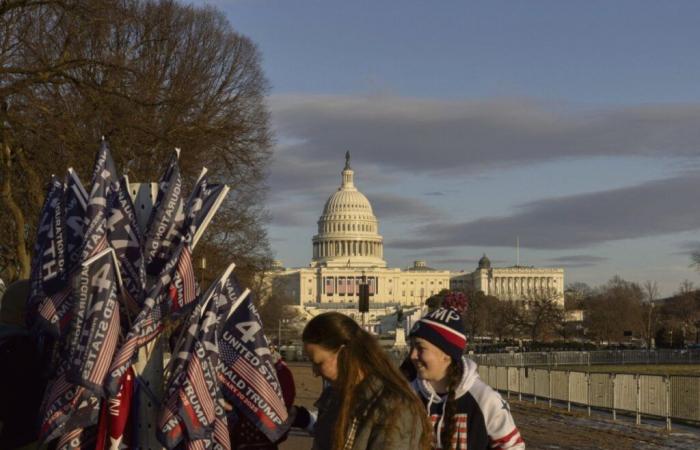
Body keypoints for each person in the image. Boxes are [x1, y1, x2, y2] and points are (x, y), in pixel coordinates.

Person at [296, 312, 431, 450]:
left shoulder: (393, 405)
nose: (315, 372)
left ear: (343, 354)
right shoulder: (333, 396)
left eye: (319, 363)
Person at [408, 307, 525, 450]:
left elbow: (513, 446)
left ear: (446, 354)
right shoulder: (407, 396)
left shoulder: (484, 399)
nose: (412, 355)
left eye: (420, 348)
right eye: (412, 347)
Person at [228, 345, 296, 449]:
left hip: (262, 434)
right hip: (246, 435)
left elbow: (286, 402)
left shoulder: (280, 370)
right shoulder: (238, 363)